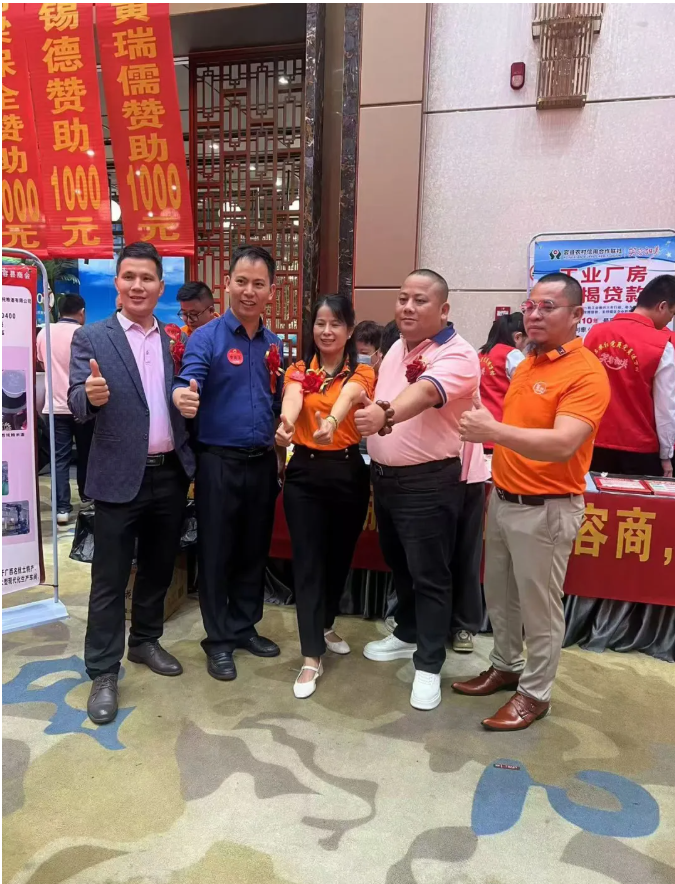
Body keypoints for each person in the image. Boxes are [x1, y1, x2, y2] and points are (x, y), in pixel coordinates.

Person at [454, 272, 610, 731]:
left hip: (547, 508)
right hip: (503, 500)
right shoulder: (527, 364)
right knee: (500, 596)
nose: (535, 315)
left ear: (577, 314)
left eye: (548, 307)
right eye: (530, 306)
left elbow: (563, 444)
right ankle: (506, 665)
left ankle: (536, 694)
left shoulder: (585, 372)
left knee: (541, 609)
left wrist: (493, 431)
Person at [68, 242, 195, 725]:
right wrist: (90, 395)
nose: (138, 285)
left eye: (147, 278)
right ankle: (103, 671)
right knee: (109, 578)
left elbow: (185, 388)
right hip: (118, 476)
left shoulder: (176, 339)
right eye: (129, 277)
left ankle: (144, 640)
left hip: (169, 473)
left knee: (159, 568)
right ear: (117, 284)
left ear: (161, 287)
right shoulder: (92, 337)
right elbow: (75, 401)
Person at [355, 269, 480, 711]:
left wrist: (384, 414)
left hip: (429, 482)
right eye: (403, 298)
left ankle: (429, 664)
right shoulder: (395, 348)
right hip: (386, 479)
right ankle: (407, 632)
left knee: (430, 574)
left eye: (420, 300)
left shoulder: (458, 354)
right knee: (400, 564)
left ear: (443, 309)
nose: (407, 307)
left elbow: (426, 392)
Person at [173, 244, 283, 682]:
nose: (249, 291)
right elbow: (188, 379)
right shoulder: (207, 338)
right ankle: (218, 640)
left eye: (258, 284)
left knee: (254, 549)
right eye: (241, 282)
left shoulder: (274, 344)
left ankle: (244, 626)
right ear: (227, 285)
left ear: (271, 291)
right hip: (218, 462)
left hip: (262, 464)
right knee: (217, 552)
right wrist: (183, 395)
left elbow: (278, 403)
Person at [275, 295, 375, 698]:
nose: (327, 331)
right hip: (305, 474)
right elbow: (293, 397)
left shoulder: (362, 371)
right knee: (309, 562)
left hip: (348, 472)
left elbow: (350, 396)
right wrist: (286, 423)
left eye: (336, 324)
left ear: (349, 330)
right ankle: (311, 655)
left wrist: (333, 420)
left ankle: (326, 622)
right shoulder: (299, 369)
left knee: (338, 558)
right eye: (320, 323)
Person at [584, 274, 675, 478]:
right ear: (662, 306)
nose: (670, 319)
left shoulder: (594, 334)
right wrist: (666, 456)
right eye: (672, 312)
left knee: (594, 498)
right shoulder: (662, 346)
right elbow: (665, 408)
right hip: (640, 449)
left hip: (592, 442)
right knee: (635, 499)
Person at [36, 294, 93, 525]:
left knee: (59, 458)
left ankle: (62, 509)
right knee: (86, 454)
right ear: (82, 312)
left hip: (54, 406)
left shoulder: (44, 334)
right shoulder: (85, 334)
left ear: (59, 311)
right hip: (81, 406)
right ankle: (87, 498)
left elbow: (42, 363)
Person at [449, 439, 490, 654]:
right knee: (425, 555)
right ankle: (415, 621)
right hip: (424, 474)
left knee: (467, 555)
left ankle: (462, 625)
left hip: (469, 474)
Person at [478, 312, 528, 452]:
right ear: (518, 337)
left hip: (480, 429)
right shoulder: (513, 355)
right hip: (502, 429)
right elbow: (525, 390)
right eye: (526, 342)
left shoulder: (481, 354)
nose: (525, 348)